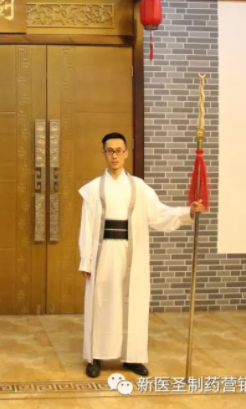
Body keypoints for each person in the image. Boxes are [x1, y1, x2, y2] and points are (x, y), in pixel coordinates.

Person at [78, 132, 204, 378]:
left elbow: (159, 214)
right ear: (103, 153)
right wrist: (86, 260)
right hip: (103, 257)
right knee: (101, 305)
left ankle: (132, 357)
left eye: (119, 150)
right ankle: (95, 357)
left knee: (133, 304)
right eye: (110, 151)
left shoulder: (140, 187)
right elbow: (86, 226)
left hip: (133, 259)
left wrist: (187, 211)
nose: (115, 156)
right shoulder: (92, 190)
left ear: (126, 153)